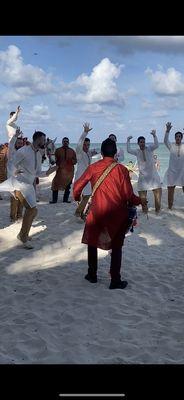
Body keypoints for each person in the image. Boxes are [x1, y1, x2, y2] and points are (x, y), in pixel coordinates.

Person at [73, 138, 146, 289]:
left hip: (97, 211)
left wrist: (76, 197)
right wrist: (141, 200)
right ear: (115, 154)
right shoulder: (121, 170)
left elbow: (77, 186)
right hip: (116, 214)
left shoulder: (93, 167)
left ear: (101, 152)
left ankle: (92, 274)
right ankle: (115, 280)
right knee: (117, 246)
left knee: (92, 242)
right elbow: (128, 196)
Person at [0, 131, 52, 249]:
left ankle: (23, 234)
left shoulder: (38, 154)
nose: (44, 142)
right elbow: (10, 163)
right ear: (37, 139)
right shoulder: (23, 151)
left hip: (29, 186)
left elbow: (38, 173)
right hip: (19, 184)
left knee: (34, 211)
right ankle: (23, 236)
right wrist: (14, 171)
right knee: (31, 210)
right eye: (43, 140)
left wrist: (51, 171)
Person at [127, 130, 162, 214]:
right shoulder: (137, 151)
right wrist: (128, 140)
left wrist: (154, 135)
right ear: (138, 143)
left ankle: (157, 210)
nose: (142, 143)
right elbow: (128, 150)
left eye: (143, 142)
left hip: (153, 176)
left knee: (157, 195)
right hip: (143, 178)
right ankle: (145, 210)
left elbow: (157, 145)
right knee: (142, 196)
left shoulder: (149, 149)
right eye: (141, 142)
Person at [74, 122, 93, 219]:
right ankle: (79, 213)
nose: (86, 146)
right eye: (85, 145)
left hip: (88, 178)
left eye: (88, 145)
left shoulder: (89, 153)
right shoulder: (80, 153)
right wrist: (85, 133)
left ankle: (81, 213)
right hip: (80, 178)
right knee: (84, 196)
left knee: (88, 195)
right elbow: (78, 144)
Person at [164, 122, 184, 209]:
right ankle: (170, 207)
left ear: (181, 138)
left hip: (182, 172)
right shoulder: (171, 146)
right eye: (176, 137)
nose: (178, 138)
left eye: (179, 136)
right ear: (175, 138)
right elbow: (165, 141)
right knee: (170, 191)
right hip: (172, 172)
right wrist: (167, 131)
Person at [50, 137, 77, 203]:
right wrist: (52, 160)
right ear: (62, 142)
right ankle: (54, 200)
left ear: (68, 142)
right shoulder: (58, 150)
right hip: (60, 172)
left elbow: (75, 161)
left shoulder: (72, 151)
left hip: (69, 173)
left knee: (68, 187)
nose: (65, 142)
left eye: (67, 141)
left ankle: (65, 200)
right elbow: (54, 160)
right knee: (55, 185)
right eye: (64, 141)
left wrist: (71, 161)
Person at [8, 129, 24, 222]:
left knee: (21, 198)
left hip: (22, 179)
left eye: (21, 143)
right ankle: (12, 217)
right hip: (12, 179)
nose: (20, 144)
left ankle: (19, 215)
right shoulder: (11, 152)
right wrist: (15, 136)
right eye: (18, 143)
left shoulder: (22, 152)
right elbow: (10, 144)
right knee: (14, 198)